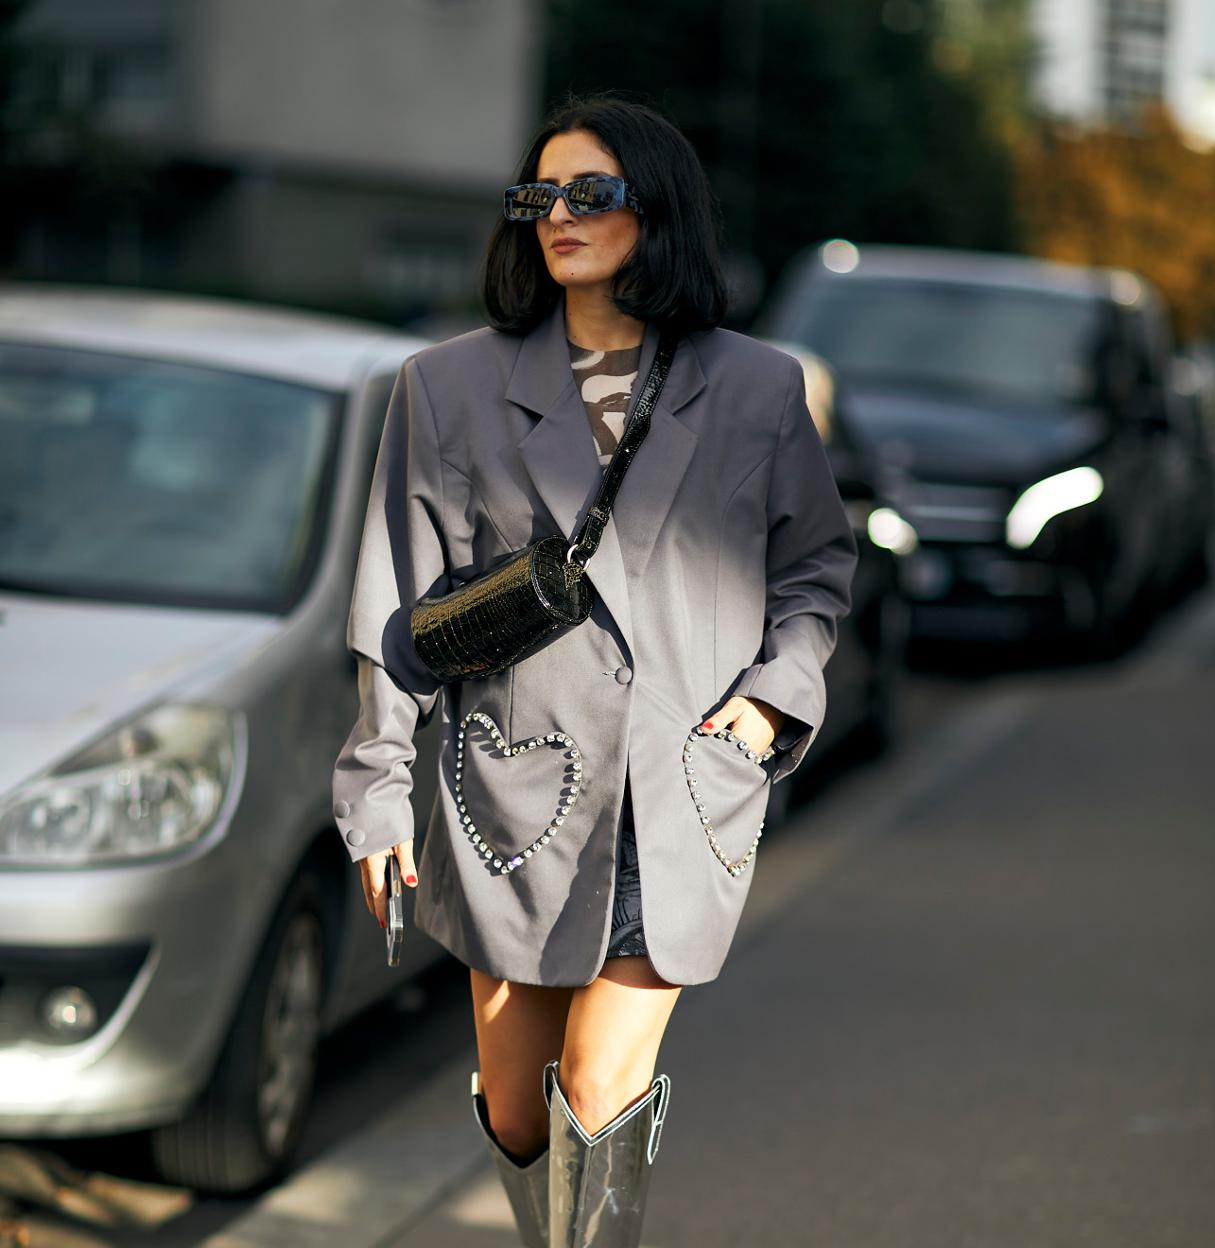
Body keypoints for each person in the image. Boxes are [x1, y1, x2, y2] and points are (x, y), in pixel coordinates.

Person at [331, 91, 859, 1247]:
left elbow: (817, 567)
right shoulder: (447, 386)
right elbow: (392, 606)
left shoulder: (758, 389)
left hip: (682, 783)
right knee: (520, 1107)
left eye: (592, 193)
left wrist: (771, 705)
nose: (558, 215)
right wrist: (375, 792)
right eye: (540, 196)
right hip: (516, 785)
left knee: (598, 1081)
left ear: (656, 209)